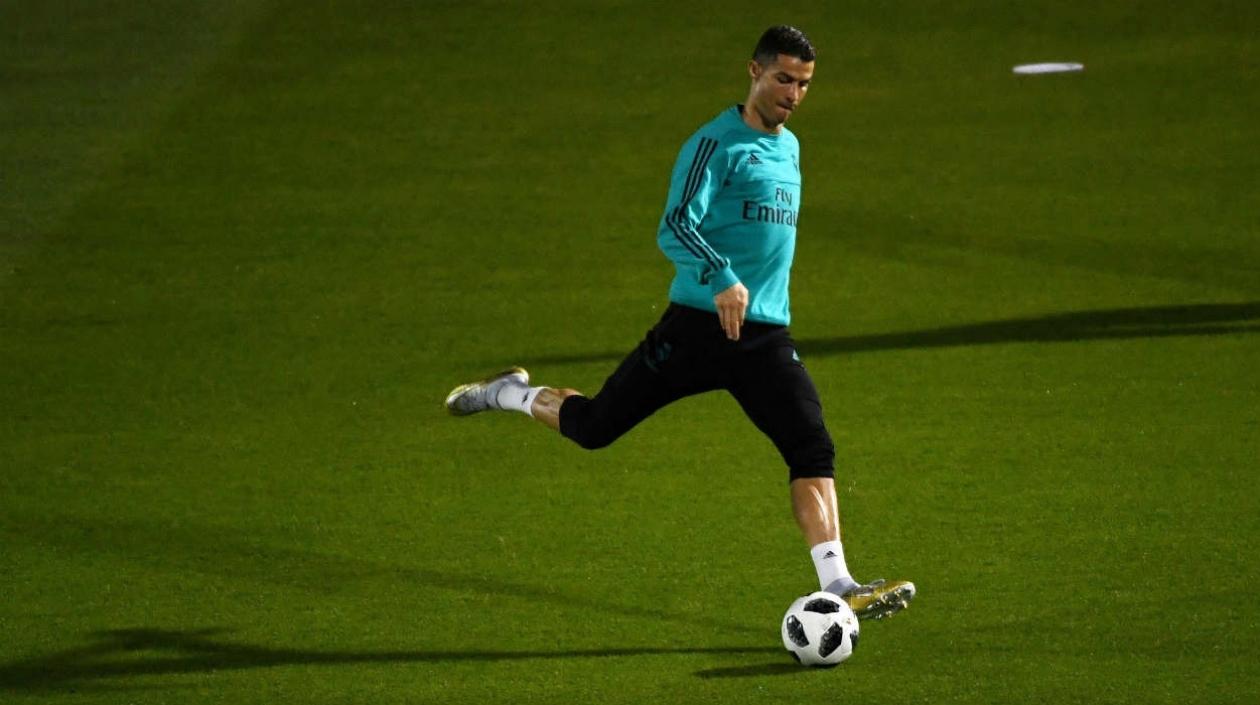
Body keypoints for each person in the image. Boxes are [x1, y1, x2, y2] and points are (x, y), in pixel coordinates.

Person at [445, 25, 914, 620]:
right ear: (754, 72)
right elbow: (674, 225)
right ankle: (508, 393)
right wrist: (721, 276)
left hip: (765, 336)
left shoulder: (790, 147)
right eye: (783, 80)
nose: (793, 94)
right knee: (594, 427)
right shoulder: (713, 145)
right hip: (695, 329)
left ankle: (840, 582)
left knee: (811, 445)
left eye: (803, 84)